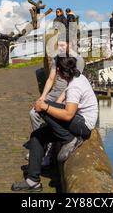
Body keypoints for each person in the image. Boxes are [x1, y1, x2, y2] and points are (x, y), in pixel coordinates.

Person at [12, 55, 98, 192]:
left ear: (58, 70)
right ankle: (33, 181)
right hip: (77, 120)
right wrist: (52, 105)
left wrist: (46, 107)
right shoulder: (76, 76)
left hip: (83, 125)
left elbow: (69, 114)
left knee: (42, 108)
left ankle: (69, 139)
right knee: (37, 136)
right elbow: (67, 100)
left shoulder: (75, 86)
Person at [28, 33, 85, 166]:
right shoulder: (57, 58)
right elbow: (51, 79)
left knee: (52, 117)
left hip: (68, 95)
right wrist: (43, 96)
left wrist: (59, 101)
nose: (59, 48)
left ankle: (47, 153)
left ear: (69, 45)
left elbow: (73, 84)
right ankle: (40, 144)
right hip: (54, 93)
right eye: (58, 45)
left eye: (62, 45)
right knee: (33, 113)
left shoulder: (78, 60)